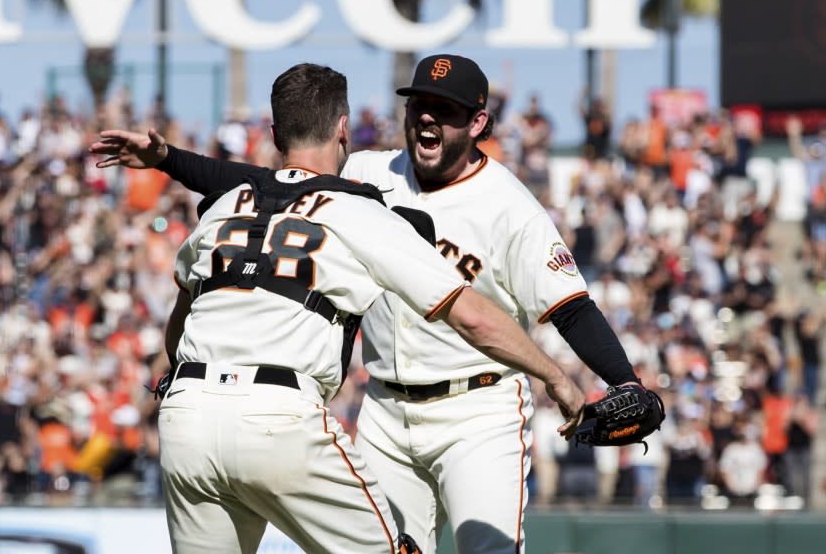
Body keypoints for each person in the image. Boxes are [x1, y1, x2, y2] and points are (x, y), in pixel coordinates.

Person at [90, 54, 644, 554]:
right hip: (384, 409)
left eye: (445, 110)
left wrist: (624, 380)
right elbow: (269, 181)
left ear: (477, 124)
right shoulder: (367, 174)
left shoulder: (509, 205)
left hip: (478, 408)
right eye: (419, 104)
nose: (427, 118)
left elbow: (571, 307)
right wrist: (168, 158)